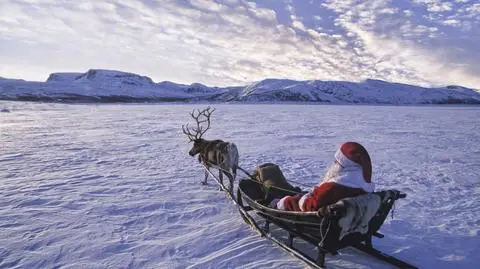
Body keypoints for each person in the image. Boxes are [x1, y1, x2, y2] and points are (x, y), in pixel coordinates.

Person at [275, 142, 375, 212]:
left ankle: (275, 203)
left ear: (344, 163)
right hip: (342, 213)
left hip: (319, 218)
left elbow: (310, 206)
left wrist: (288, 201)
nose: (335, 163)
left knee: (283, 200)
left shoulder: (334, 187)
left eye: (337, 161)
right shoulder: (363, 184)